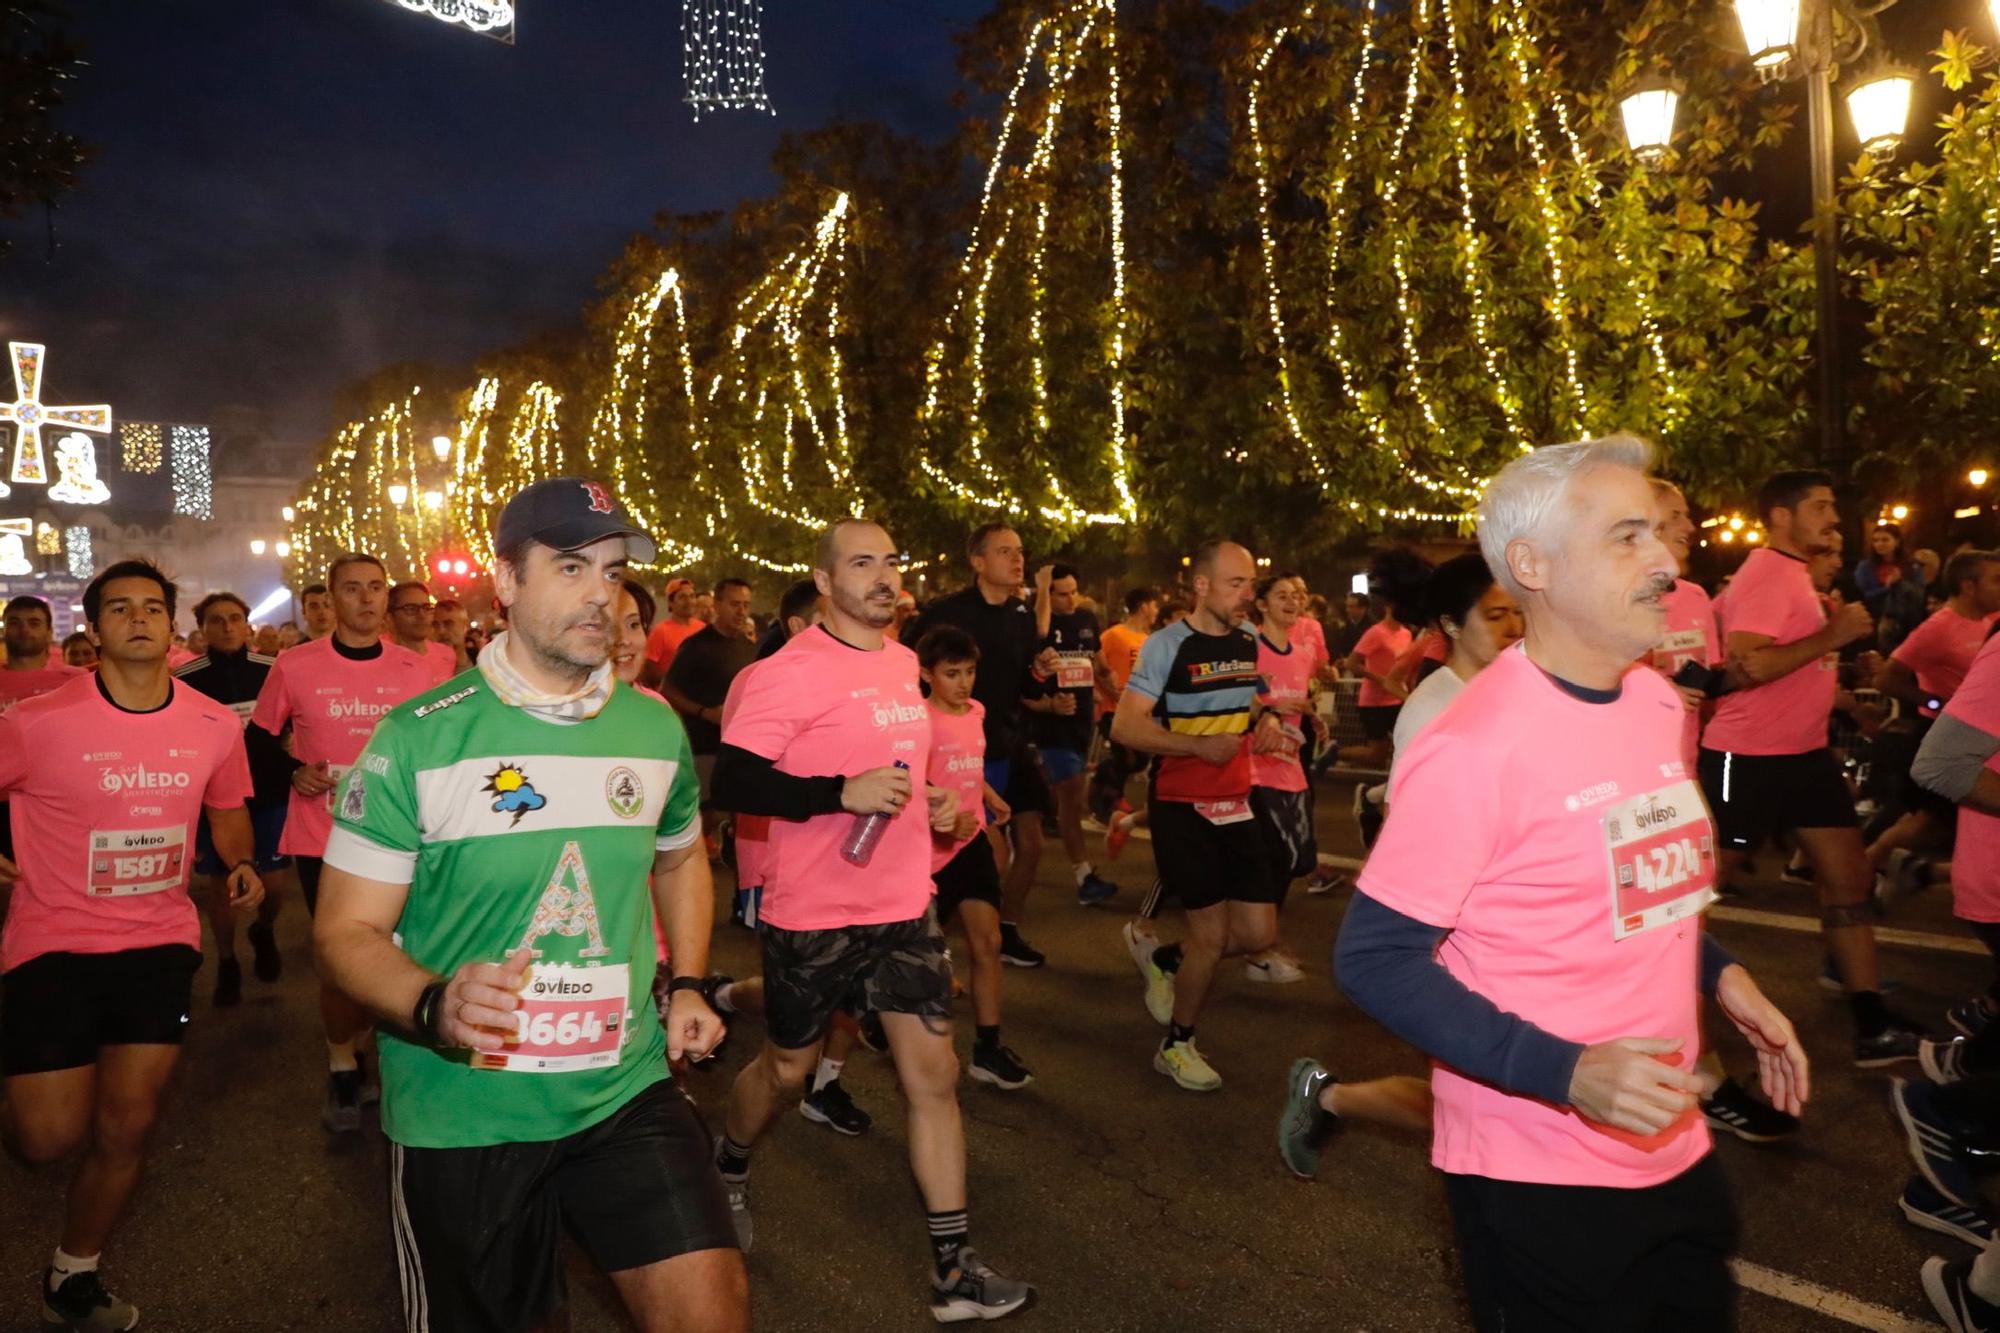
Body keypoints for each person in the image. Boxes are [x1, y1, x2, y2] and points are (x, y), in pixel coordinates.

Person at [1338, 436, 1807, 1331]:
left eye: (1660, 536)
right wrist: (1566, 1071)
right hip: (1538, 1170)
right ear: (1531, 565)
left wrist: (1724, 976)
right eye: (1627, 536)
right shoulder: (1473, 746)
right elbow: (1375, 959)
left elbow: (1625, 889)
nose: (1667, 561)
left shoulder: (1654, 702)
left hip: (1672, 1143)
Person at [312, 478, 747, 1333]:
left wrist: (689, 979)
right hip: (464, 1109)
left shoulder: (652, 727)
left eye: (613, 571)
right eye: (572, 565)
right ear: (505, 581)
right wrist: (434, 1000)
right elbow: (343, 931)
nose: (600, 593)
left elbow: (682, 856)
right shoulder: (417, 739)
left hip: (622, 1085)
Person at [710, 518, 1034, 1320]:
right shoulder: (788, 672)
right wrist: (837, 793)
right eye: (863, 563)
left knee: (936, 1076)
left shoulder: (901, 663)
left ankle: (953, 1272)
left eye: (891, 560)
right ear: (824, 581)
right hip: (812, 911)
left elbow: (893, 765)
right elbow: (739, 783)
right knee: (787, 1072)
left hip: (901, 903)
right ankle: (728, 1163)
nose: (884, 576)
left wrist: (932, 803)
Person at [0, 558, 263, 1332]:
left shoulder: (215, 724)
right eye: (121, 608)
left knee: (128, 1123)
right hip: (53, 941)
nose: (140, 618)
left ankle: (72, 1271)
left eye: (153, 607)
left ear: (171, 625)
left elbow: (227, 810)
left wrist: (241, 860)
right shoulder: (37, 720)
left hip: (158, 939)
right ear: (95, 627)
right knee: (47, 1138)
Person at [1278, 552, 1519, 1180]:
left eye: (1521, 612)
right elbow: (1422, 841)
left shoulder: (1524, 688)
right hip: (1463, 932)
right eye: (1497, 615)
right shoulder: (1436, 710)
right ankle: (1328, 1097)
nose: (1516, 627)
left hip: (1520, 927)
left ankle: (1328, 1097)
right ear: (1451, 623)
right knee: (1477, 1102)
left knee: (1500, 1100)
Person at [1701, 470, 1927, 1065]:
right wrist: (1832, 633)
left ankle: (1871, 1024)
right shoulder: (1765, 575)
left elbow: (1796, 667)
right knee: (1693, 898)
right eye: (1821, 507)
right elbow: (1746, 666)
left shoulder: (1795, 575)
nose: (1832, 517)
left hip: (1804, 759)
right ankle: (1667, 1013)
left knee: (1849, 885)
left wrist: (1842, 666)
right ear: (1781, 516)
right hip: (1745, 760)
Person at [249, 553, 435, 1133]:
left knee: (400, 951)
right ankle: (341, 1066)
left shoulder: (418, 669)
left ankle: (384, 1059)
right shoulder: (296, 665)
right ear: (330, 599)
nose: (366, 599)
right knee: (340, 959)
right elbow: (257, 740)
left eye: (376, 588)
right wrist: (292, 772)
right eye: (352, 589)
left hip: (405, 836)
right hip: (322, 833)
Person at [1112, 540, 1286, 1091]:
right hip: (1182, 804)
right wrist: (1192, 746)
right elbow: (1125, 726)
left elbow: (1252, 698)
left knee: (1258, 931)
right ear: (1202, 586)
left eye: (1251, 585)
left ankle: (1165, 959)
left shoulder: (1249, 640)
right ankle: (1177, 1044)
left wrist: (1268, 721)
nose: (1247, 595)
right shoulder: (1166, 646)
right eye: (1236, 584)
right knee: (1211, 938)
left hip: (1237, 800)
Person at [906, 524, 1057, 968]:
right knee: (986, 853)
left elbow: (1023, 684)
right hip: (957, 751)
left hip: (1009, 737)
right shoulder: (943, 616)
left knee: (1031, 843)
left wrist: (1041, 673)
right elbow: (906, 676)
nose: (1017, 560)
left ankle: (1004, 931)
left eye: (1020, 552)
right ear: (977, 562)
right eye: (1005, 552)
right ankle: (933, 944)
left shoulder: (1022, 615)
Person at [918, 624, 1035, 1089]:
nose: (963, 682)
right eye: (951, 673)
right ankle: (880, 1022)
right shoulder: (919, 721)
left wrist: (986, 794)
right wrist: (943, 814)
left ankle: (987, 1049)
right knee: (920, 962)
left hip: (971, 845)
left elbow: (968, 763)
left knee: (988, 944)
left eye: (969, 671)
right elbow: (910, 784)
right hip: (929, 854)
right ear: (927, 675)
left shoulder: (976, 711)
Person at [175, 591, 294, 1006]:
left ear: (247, 625)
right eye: (215, 620)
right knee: (221, 887)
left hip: (270, 793)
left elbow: (292, 726)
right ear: (202, 628)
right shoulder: (185, 679)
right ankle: (226, 961)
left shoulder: (273, 670)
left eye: (233, 619)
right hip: (214, 802)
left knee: (275, 884)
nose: (226, 627)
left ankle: (263, 929)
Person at [1243, 573, 1327, 984]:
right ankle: (1260, 949)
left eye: (1297, 596)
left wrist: (1313, 716)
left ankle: (1261, 942)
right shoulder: (1249, 647)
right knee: (1268, 860)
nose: (1292, 602)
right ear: (1261, 604)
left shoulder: (1303, 653)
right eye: (1282, 596)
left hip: (1291, 767)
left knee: (1292, 862)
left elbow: (1298, 701)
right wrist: (1275, 707)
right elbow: (1250, 696)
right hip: (1254, 767)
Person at [1027, 563, 1116, 906]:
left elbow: (1099, 664)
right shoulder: (1038, 626)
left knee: (1058, 796)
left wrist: (1115, 693)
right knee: (1072, 798)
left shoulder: (1086, 621)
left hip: (1082, 723)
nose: (1070, 599)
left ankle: (1025, 823)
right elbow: (1032, 651)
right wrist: (1048, 704)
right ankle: (1084, 876)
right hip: (1052, 726)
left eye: (1073, 592)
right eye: (1061, 593)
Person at [661, 577, 758, 806]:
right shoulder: (696, 645)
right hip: (704, 748)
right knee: (706, 813)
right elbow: (667, 690)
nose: (741, 611)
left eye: (745, 605)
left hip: (740, 747)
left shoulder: (749, 645)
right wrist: (705, 712)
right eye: (734, 604)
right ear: (717, 604)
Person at [1090, 586, 1158, 848]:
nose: (1155, 611)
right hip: (1112, 709)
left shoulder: (1148, 639)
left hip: (1140, 712)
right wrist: (1109, 691)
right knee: (1126, 756)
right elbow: (1096, 665)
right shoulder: (1114, 635)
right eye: (1153, 605)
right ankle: (1106, 805)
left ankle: (1104, 787)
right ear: (1143, 606)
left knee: (1138, 759)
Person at [638, 577, 706, 687]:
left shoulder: (702, 627)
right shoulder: (660, 631)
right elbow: (648, 669)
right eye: (682, 597)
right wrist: (676, 681)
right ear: (670, 602)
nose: (689, 601)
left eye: (692, 596)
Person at [387, 581, 458, 685]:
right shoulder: (380, 659)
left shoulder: (446, 655)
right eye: (411, 609)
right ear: (390, 616)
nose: (422, 615)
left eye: (426, 608)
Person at [433, 597, 474, 672]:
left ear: (466, 625)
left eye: (448, 624)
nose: (441, 631)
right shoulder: (426, 671)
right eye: (435, 625)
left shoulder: (484, 663)